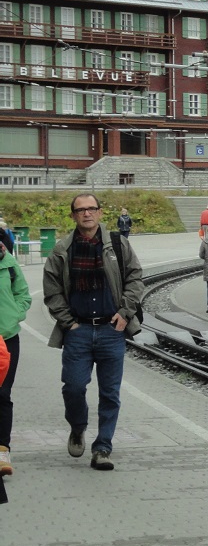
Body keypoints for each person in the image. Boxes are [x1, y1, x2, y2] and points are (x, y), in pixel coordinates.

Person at [43, 194, 144, 472]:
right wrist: (67, 322)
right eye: (81, 210)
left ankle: (103, 448)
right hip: (79, 331)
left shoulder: (118, 244)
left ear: (99, 213)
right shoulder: (63, 249)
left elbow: (135, 278)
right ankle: (78, 427)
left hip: (112, 330)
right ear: (73, 216)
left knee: (110, 393)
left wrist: (124, 313)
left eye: (91, 209)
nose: (87, 214)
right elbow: (51, 290)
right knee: (73, 387)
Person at [0, 239, 32, 477]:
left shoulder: (9, 263)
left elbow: (23, 294)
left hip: (7, 337)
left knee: (2, 394)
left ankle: (2, 453)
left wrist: (14, 314)